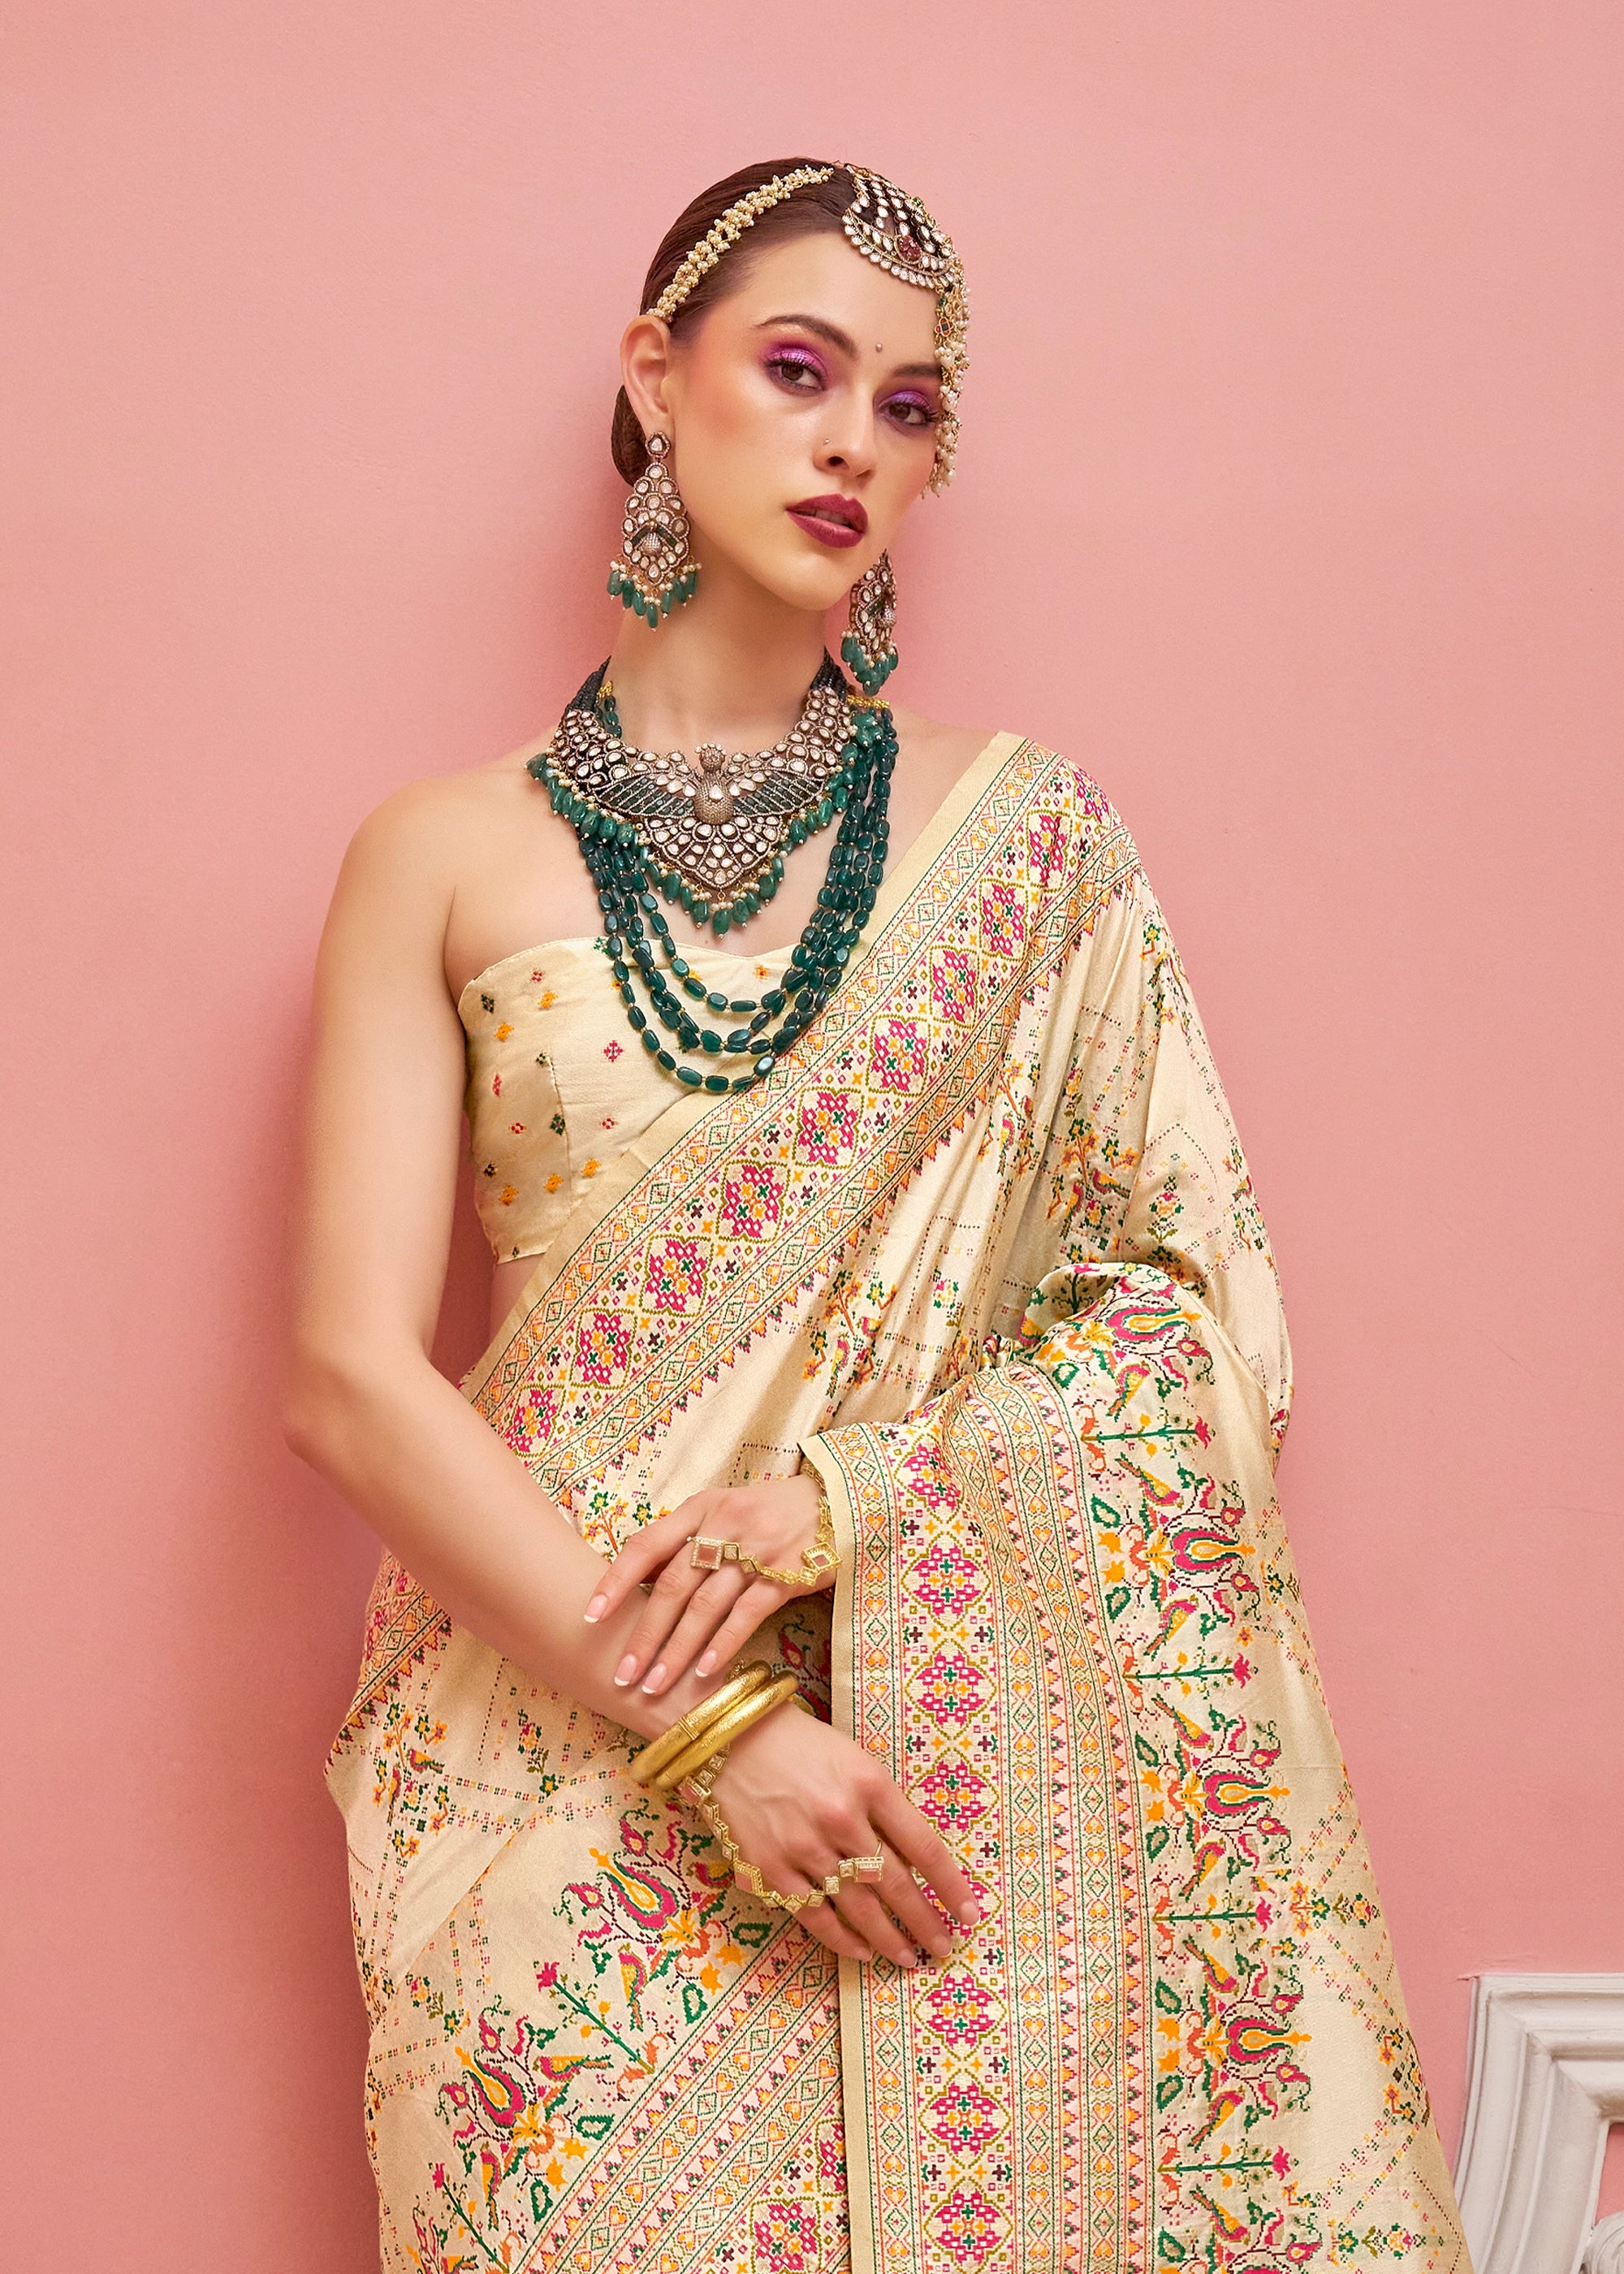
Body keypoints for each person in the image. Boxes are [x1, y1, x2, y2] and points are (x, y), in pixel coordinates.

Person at [287, 159, 1470, 2273]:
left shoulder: (1034, 845)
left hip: (930, 1793)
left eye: (909, 408)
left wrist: (837, 1506)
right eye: (799, 370)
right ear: (654, 378)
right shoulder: (442, 853)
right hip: (545, 1771)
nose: (853, 442)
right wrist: (710, 1726)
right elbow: (350, 1381)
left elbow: (1191, 1318)